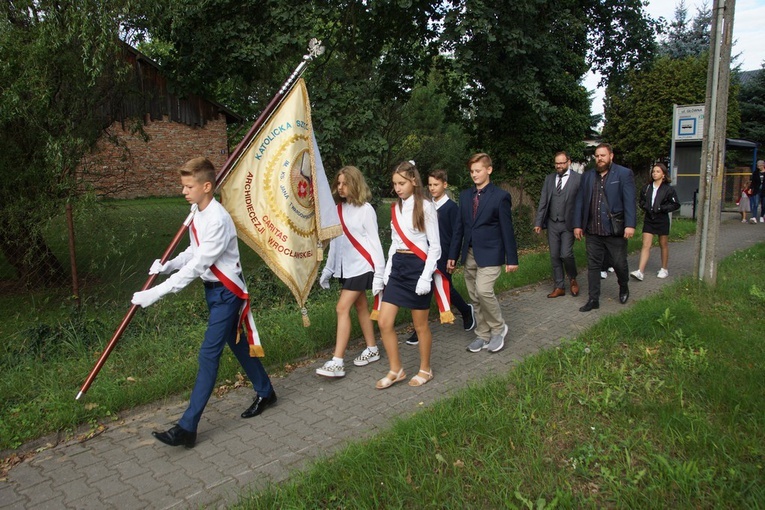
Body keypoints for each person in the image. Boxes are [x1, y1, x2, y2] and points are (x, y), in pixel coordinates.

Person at [131, 157, 276, 448]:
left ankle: (187, 427)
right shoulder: (198, 212)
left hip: (227, 292)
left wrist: (155, 293)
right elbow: (193, 251)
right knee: (236, 343)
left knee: (208, 355)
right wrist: (168, 265)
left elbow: (198, 265)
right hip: (213, 291)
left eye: (188, 186)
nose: (183, 191)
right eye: (183, 186)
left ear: (206, 186)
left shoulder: (219, 219)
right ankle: (266, 391)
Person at [376, 161, 440, 389]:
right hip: (399, 267)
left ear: (413, 181)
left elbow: (435, 247)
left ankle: (426, 368)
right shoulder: (395, 208)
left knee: (420, 325)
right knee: (384, 322)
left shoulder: (426, 206)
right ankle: (396, 369)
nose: (398, 188)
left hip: (418, 267)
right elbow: (394, 243)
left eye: (402, 183)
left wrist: (425, 276)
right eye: (394, 184)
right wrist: (386, 271)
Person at [316, 166, 385, 378]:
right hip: (346, 268)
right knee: (361, 306)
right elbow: (336, 244)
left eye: (345, 183)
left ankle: (337, 361)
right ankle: (372, 349)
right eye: (338, 183)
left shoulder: (366, 210)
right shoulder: (337, 210)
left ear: (354, 184)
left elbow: (375, 243)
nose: (340, 187)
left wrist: (380, 275)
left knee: (341, 308)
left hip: (363, 266)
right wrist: (328, 269)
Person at [448, 153, 519, 353]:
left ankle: (499, 329)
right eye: (472, 171)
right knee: (475, 297)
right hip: (469, 254)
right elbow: (459, 229)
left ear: (489, 170)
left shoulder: (500, 197)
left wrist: (511, 258)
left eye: (478, 170)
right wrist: (453, 256)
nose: (474, 174)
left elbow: (507, 229)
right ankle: (482, 334)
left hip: (491, 253)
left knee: (483, 291)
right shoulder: (465, 196)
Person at [406, 170, 476, 346]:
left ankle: (466, 311)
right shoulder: (425, 205)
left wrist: (453, 256)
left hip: (444, 256)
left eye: (436, 185)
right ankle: (419, 327)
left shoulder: (452, 208)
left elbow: (456, 234)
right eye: (429, 185)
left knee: (446, 288)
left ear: (445, 185)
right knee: (423, 289)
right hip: (426, 255)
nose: (432, 188)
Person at [573, 143, 637, 312]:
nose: (599, 159)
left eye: (603, 155)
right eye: (597, 156)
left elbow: (629, 200)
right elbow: (580, 201)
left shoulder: (623, 174)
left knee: (619, 263)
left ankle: (623, 286)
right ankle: (593, 299)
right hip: (593, 230)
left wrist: (630, 224)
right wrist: (578, 225)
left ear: (611, 156)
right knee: (593, 265)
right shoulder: (587, 176)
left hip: (614, 230)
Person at [534, 151, 581, 298]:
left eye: (562, 163)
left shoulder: (578, 179)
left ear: (568, 162)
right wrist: (538, 222)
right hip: (552, 223)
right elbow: (543, 201)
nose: (559, 166)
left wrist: (580, 225)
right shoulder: (549, 179)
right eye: (557, 163)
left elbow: (582, 204)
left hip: (569, 224)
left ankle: (572, 278)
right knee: (554, 256)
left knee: (565, 254)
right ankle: (559, 286)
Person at [630, 163, 680, 281]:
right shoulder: (647, 188)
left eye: (657, 171)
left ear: (663, 174)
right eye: (653, 171)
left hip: (661, 219)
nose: (654, 173)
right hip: (649, 218)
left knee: (663, 244)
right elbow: (641, 201)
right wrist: (645, 207)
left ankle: (664, 268)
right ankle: (640, 271)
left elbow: (676, 204)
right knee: (646, 244)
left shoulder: (668, 189)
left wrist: (662, 208)